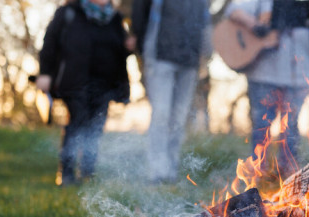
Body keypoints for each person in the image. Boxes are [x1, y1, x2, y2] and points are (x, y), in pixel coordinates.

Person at [225, 0, 309, 174]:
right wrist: (257, 26)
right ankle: (257, 173)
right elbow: (233, 10)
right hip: (265, 75)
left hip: (298, 78)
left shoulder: (307, 5)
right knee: (262, 125)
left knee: (291, 127)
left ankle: (287, 176)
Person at [37, 0, 132, 185]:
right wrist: (45, 73)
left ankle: (88, 173)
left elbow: (120, 49)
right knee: (77, 123)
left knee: (96, 127)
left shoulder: (115, 18)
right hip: (74, 81)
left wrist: (127, 47)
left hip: (105, 83)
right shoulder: (69, 12)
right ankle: (67, 174)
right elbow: (50, 42)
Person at [132, 0, 210, 183]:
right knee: (161, 114)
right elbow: (139, 13)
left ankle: (171, 169)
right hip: (160, 57)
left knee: (179, 118)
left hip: (189, 61)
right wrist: (142, 49)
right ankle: (157, 171)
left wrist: (206, 54)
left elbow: (205, 23)